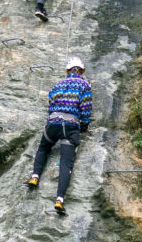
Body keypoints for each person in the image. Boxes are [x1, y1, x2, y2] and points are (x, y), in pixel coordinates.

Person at [27, 57, 93, 213]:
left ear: (67, 71)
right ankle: (59, 200)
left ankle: (35, 177)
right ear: (81, 71)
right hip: (71, 126)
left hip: (53, 123)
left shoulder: (57, 85)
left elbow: (50, 103)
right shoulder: (85, 85)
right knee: (66, 163)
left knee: (43, 148)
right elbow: (86, 109)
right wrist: (83, 126)